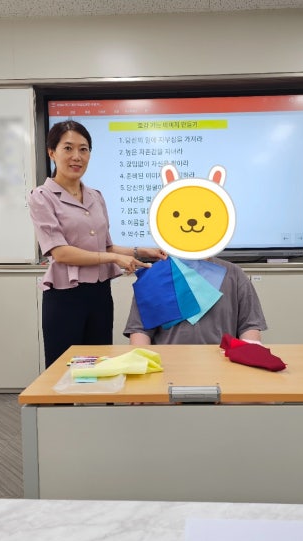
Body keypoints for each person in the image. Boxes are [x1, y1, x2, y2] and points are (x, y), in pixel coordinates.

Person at [28, 120, 166, 367]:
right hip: (65, 296)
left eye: (83, 149)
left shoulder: (95, 196)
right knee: (64, 370)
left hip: (100, 294)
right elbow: (61, 253)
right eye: (68, 148)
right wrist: (114, 258)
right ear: (51, 152)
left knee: (99, 366)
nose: (77, 156)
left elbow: (106, 246)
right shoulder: (42, 197)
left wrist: (142, 251)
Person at [124, 256, 267, 345]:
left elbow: (249, 326)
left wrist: (248, 366)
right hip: (167, 368)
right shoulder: (155, 275)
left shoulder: (234, 274)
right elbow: (140, 332)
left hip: (224, 367)